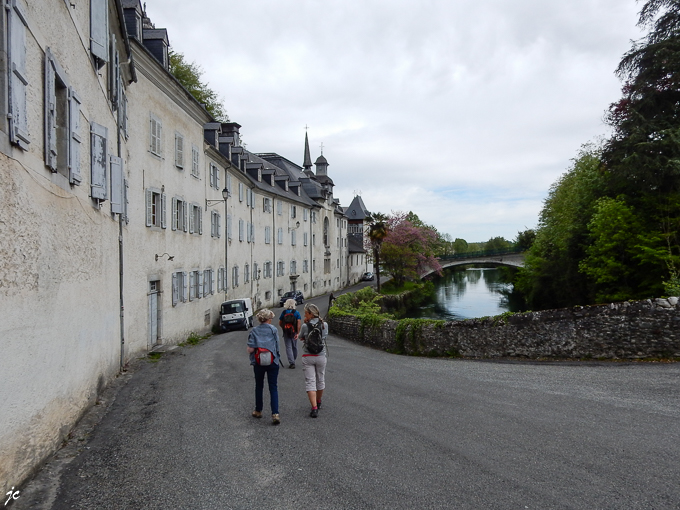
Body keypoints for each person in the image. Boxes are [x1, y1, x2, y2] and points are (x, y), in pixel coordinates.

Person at [246, 309, 281, 425]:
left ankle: (258, 410)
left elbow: (250, 349)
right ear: (268, 319)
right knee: (273, 387)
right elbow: (277, 346)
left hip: (259, 362)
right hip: (272, 361)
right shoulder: (273, 330)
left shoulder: (254, 330)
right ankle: (275, 413)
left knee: (259, 386)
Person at [298, 303, 329, 418]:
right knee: (320, 379)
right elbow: (324, 338)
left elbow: (301, 336)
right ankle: (319, 401)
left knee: (310, 381)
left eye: (306, 312)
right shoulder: (324, 325)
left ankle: (314, 407)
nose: (304, 314)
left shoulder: (305, 326)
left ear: (310, 314)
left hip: (308, 356)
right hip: (321, 356)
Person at [279, 299, 302, 369]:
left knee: (288, 347)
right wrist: (298, 332)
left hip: (286, 332)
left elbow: (280, 322)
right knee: (294, 346)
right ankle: (293, 359)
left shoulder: (284, 312)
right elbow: (298, 323)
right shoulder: (296, 313)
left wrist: (284, 328)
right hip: (294, 331)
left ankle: (291, 362)